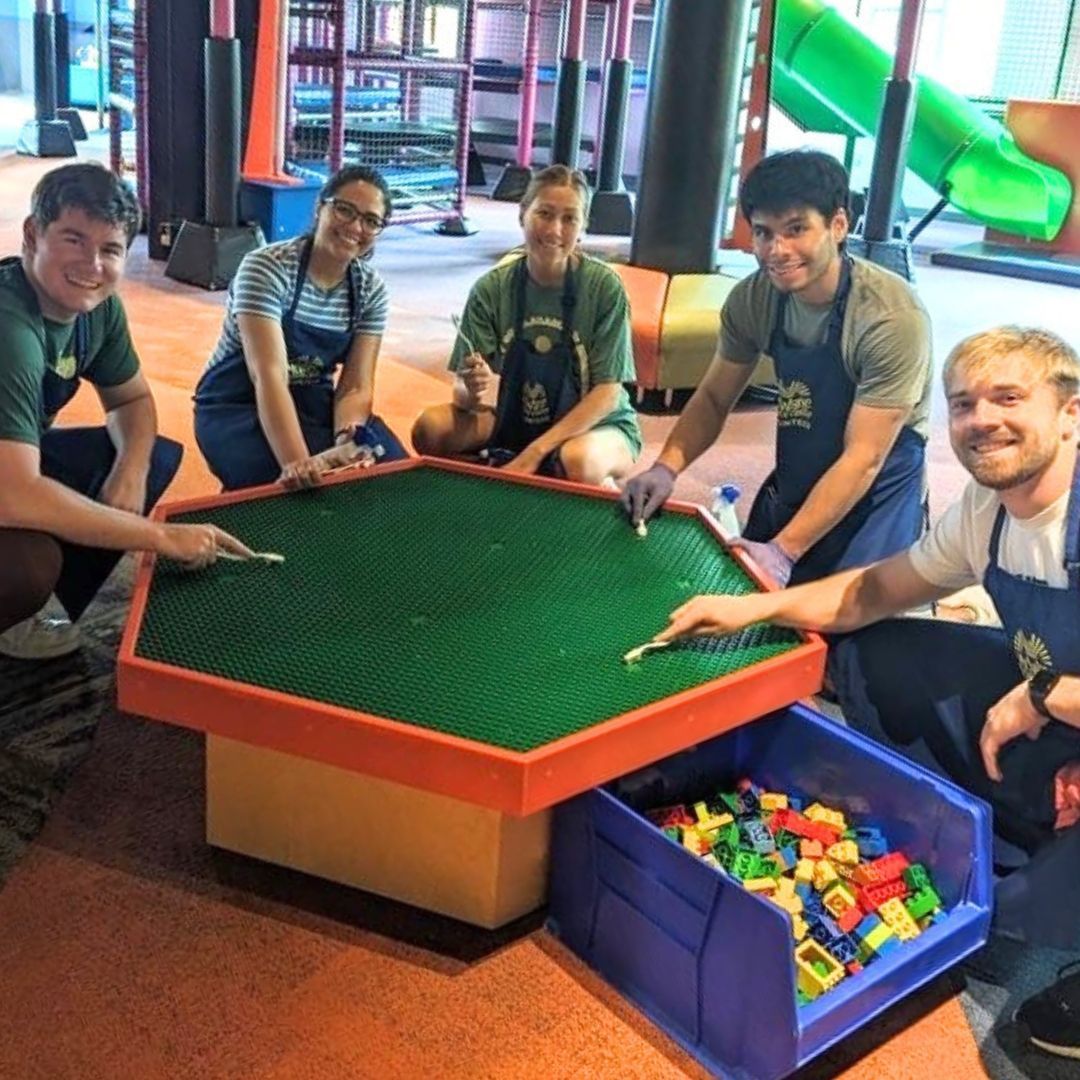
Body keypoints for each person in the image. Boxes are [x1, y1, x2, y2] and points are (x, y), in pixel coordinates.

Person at [651, 326, 1080, 950]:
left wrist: (1043, 698)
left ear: (1071, 414)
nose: (981, 420)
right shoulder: (984, 512)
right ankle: (1033, 825)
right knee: (877, 655)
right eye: (963, 404)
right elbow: (875, 591)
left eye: (1008, 399)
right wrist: (754, 608)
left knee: (1011, 921)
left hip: (1055, 706)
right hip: (1058, 713)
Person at [622, 150, 932, 586]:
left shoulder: (888, 316)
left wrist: (783, 552)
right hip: (804, 456)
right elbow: (712, 398)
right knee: (745, 593)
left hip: (880, 476)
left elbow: (865, 457)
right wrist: (665, 467)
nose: (777, 250)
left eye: (796, 229)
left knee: (849, 621)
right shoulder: (754, 300)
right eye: (764, 233)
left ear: (838, 225)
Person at [0, 163, 251, 661]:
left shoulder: (96, 308)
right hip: (8, 482)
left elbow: (131, 400)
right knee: (27, 567)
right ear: (33, 234)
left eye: (110, 249)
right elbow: (14, 496)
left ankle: (35, 615)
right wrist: (159, 537)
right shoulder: (10, 329)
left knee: (149, 455)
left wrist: (130, 469)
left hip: (11, 465)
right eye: (73, 240)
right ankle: (17, 608)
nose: (92, 264)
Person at [411, 165, 641, 485]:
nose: (555, 230)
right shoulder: (491, 289)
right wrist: (471, 388)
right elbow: (463, 397)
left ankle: (576, 473)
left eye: (569, 218)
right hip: (515, 419)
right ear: (523, 214)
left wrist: (533, 454)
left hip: (598, 425)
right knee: (430, 429)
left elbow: (608, 394)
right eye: (544, 214)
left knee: (578, 462)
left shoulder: (604, 288)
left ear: (584, 225)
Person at [194, 164, 408, 491]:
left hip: (311, 401)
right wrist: (299, 465)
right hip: (237, 404)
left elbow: (354, 386)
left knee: (390, 478)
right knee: (288, 493)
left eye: (371, 220)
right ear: (320, 207)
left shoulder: (370, 291)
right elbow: (268, 375)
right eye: (345, 210)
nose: (355, 226)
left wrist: (346, 439)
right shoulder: (267, 267)